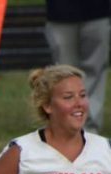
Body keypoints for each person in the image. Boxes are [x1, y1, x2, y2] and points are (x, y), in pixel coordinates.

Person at [45, 0, 110, 133]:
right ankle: (66, 122)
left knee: (94, 70)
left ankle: (89, 126)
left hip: (98, 11)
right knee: (62, 75)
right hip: (60, 12)